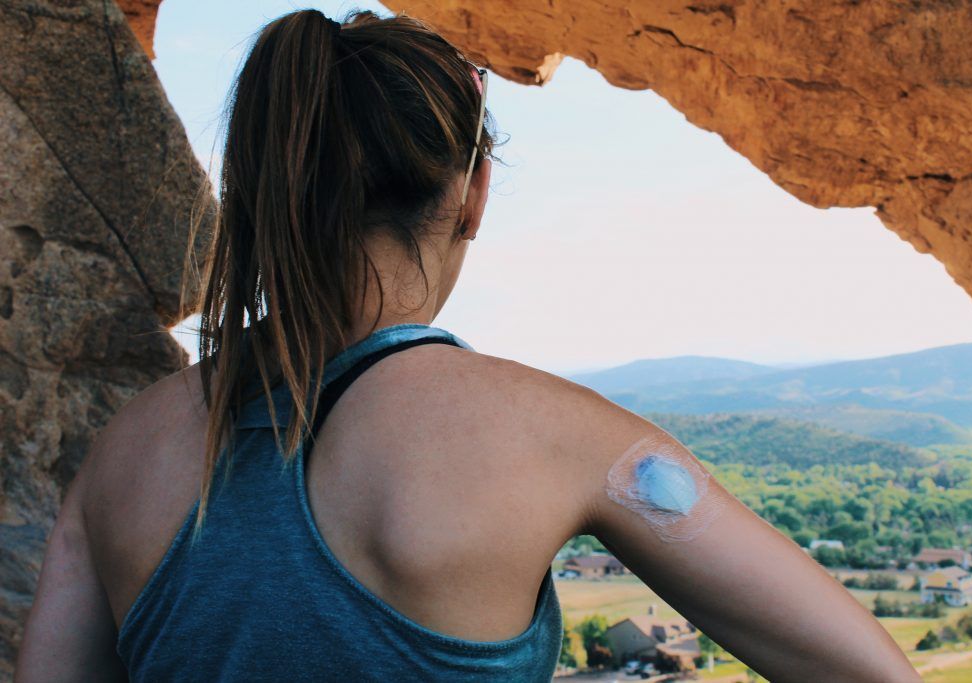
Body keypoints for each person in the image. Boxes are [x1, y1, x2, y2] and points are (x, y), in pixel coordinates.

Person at [15, 8, 921, 682]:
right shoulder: (555, 435)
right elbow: (869, 672)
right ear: (474, 193)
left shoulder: (125, 458)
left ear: (264, 189)